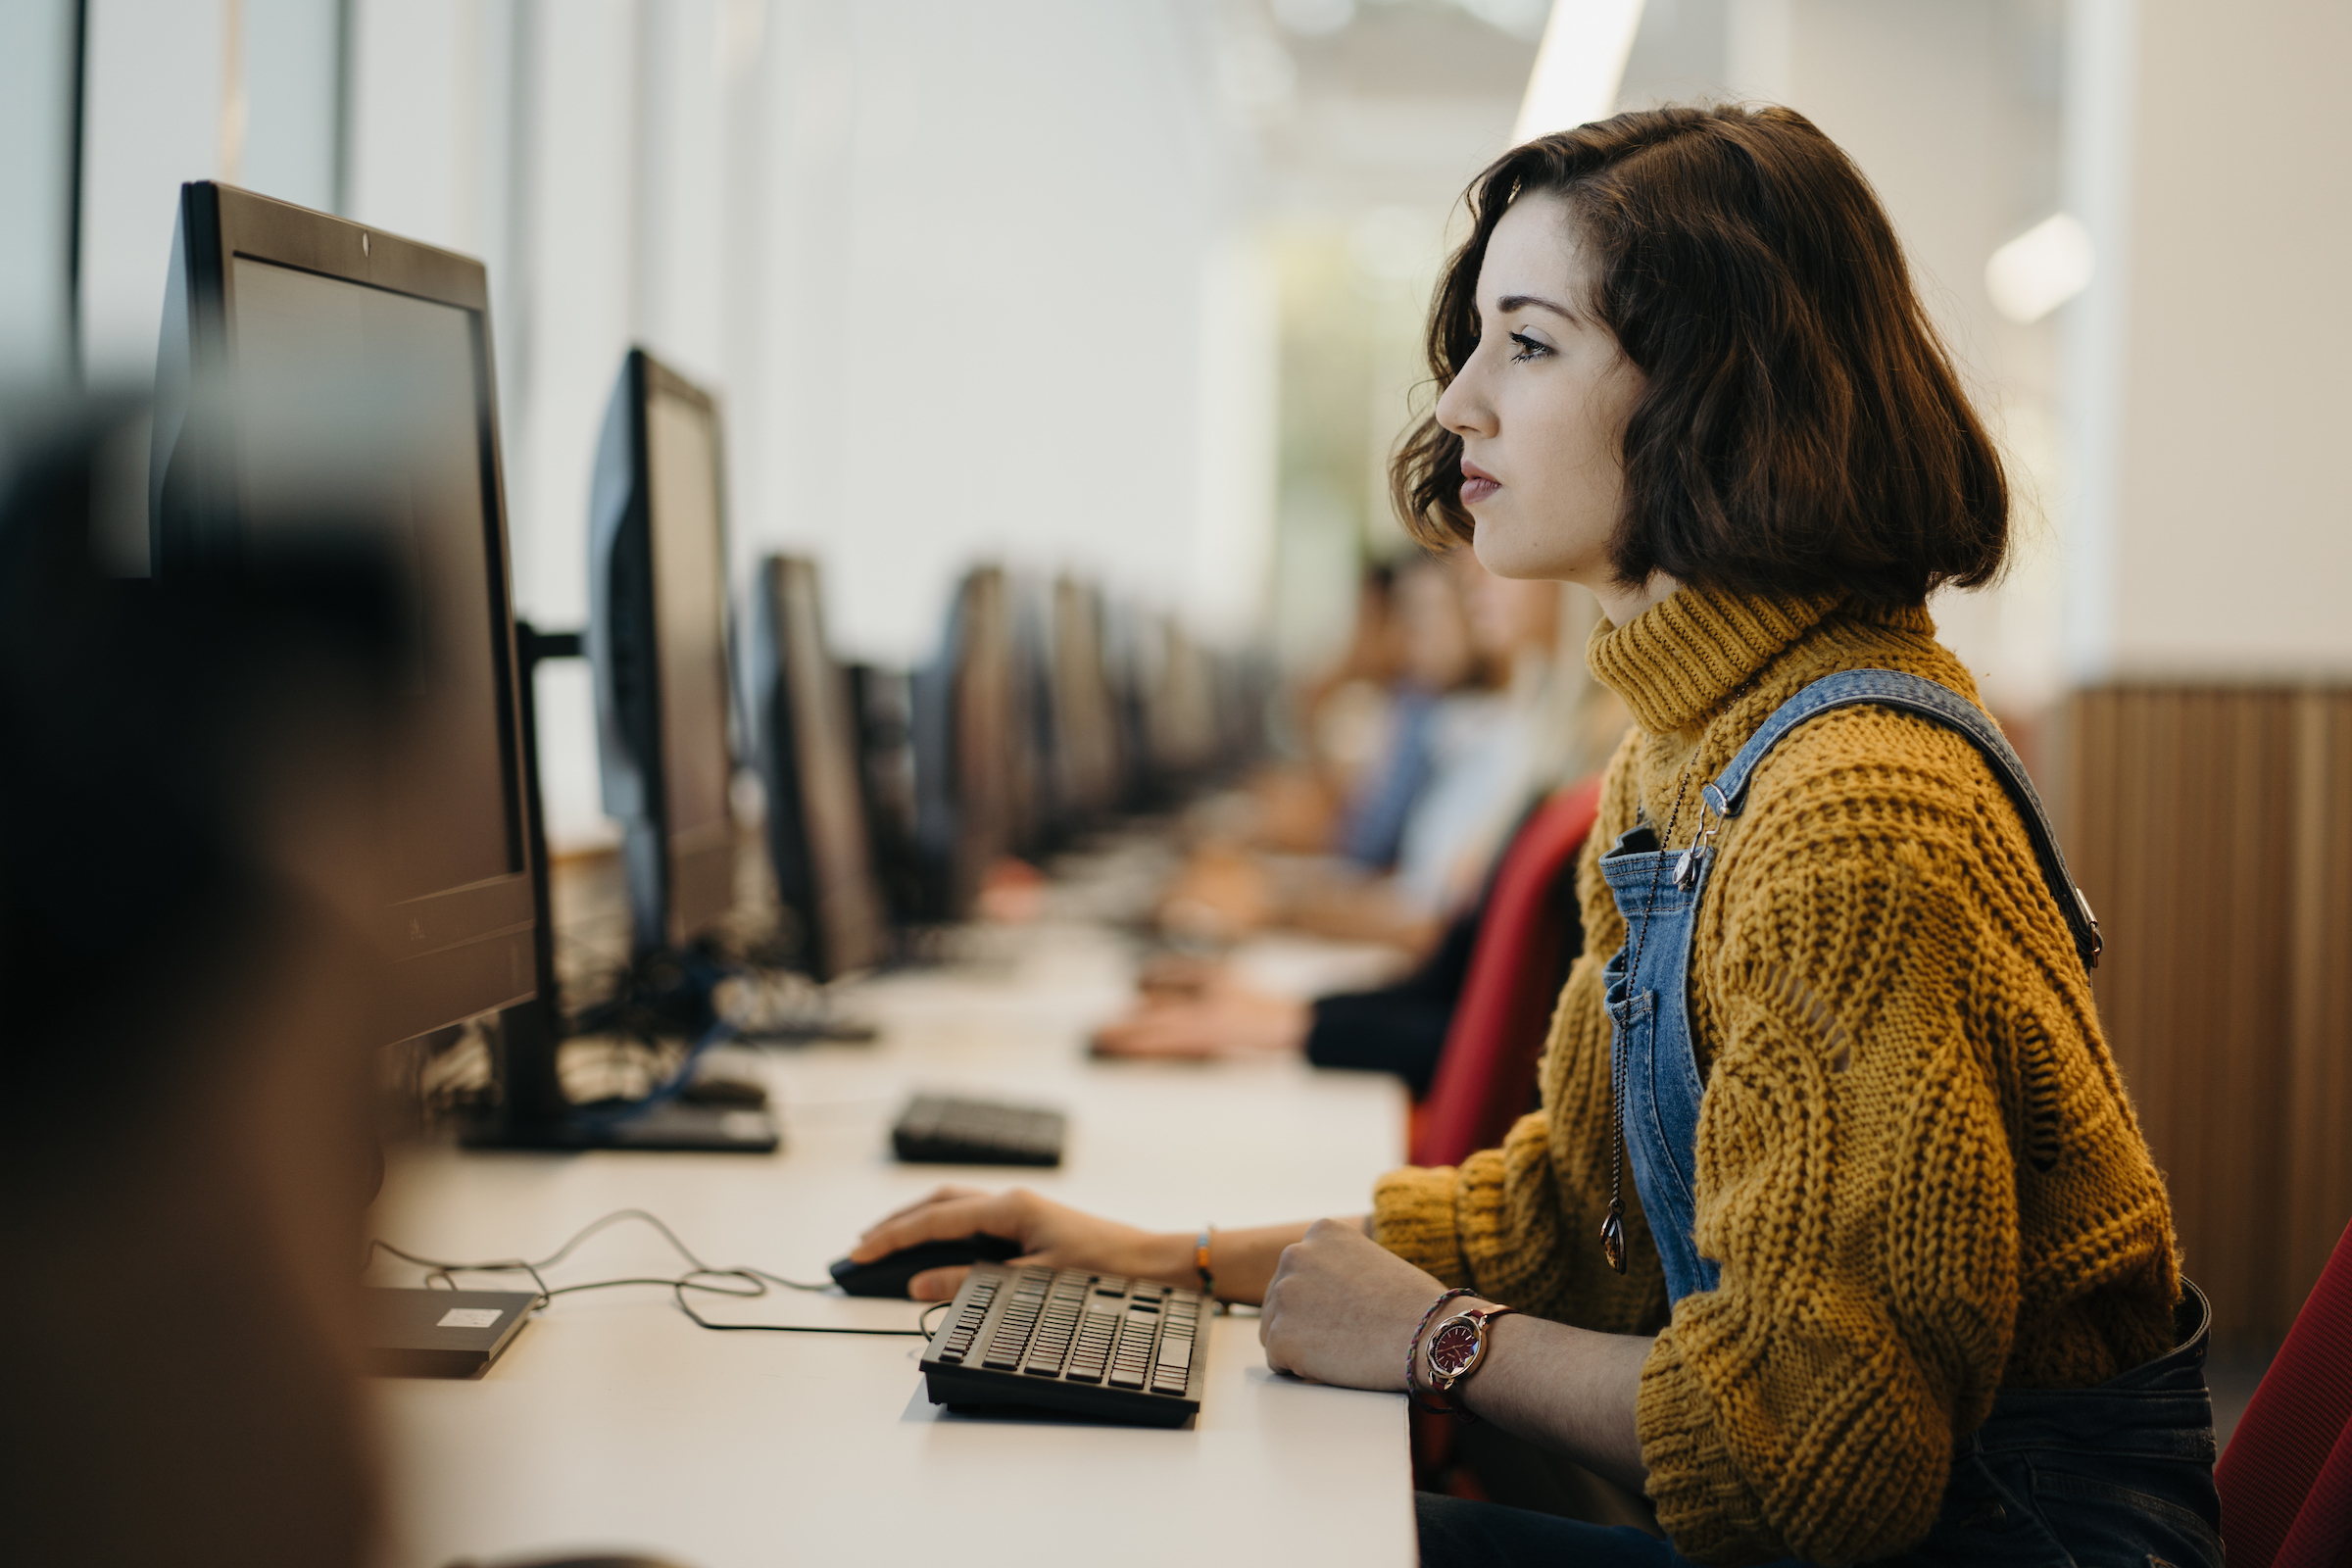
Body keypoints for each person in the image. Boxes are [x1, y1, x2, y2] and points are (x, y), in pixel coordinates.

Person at [847, 103, 2216, 1568]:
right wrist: (1161, 1260)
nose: (1458, 406)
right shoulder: (1686, 757)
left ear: (1714, 396)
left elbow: (1810, 1471)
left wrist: (1436, 1342)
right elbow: (1571, 1226)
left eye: (1533, 343)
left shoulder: (1851, 813)